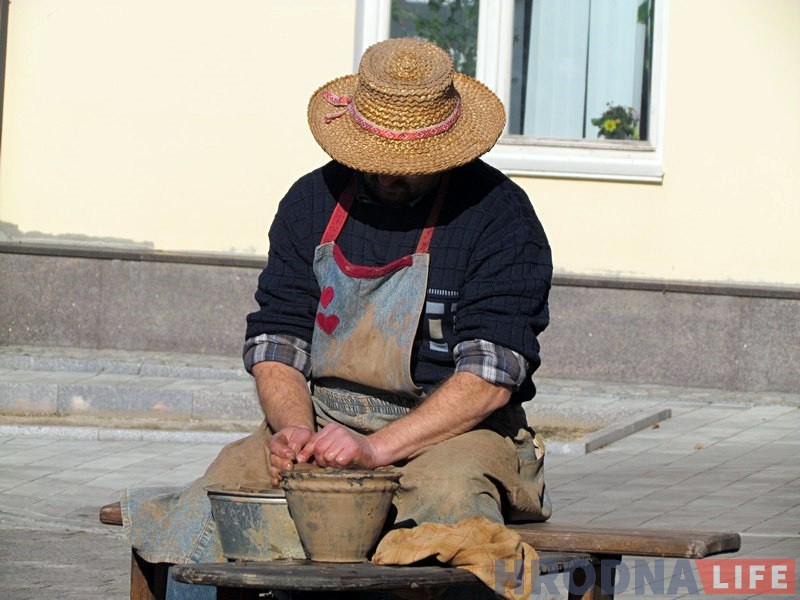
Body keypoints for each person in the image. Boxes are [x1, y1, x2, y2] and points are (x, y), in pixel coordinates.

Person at [122, 37, 552, 599]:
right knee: (225, 491)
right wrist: (296, 430)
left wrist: (375, 449)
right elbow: (277, 340)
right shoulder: (309, 202)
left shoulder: (498, 216)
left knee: (446, 501)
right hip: (322, 420)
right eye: (376, 160)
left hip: (452, 433)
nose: (391, 175)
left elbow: (491, 379)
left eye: (408, 165)